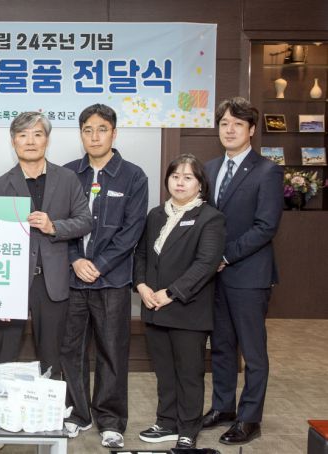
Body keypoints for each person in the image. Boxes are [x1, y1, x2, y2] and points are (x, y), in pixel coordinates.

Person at [61, 104, 148, 449]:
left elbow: (132, 230)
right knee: (72, 350)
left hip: (112, 280)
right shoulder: (68, 174)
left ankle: (110, 420)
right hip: (72, 278)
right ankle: (76, 415)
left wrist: (98, 264)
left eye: (102, 129)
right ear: (80, 134)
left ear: (114, 133)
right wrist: (75, 260)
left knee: (112, 350)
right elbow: (60, 224)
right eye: (88, 130)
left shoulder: (133, 176)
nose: (94, 136)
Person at [201, 97, 283, 445]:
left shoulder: (267, 171)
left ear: (251, 130)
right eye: (224, 123)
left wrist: (224, 256)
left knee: (253, 352)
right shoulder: (209, 168)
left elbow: (266, 227)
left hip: (249, 275)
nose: (230, 129)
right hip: (214, 276)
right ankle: (223, 407)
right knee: (221, 346)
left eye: (238, 124)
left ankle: (250, 417)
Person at [0, 111, 92, 378]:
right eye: (23, 135)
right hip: (12, 283)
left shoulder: (67, 178)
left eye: (37, 134)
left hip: (52, 282)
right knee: (4, 356)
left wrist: (53, 226)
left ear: (47, 139)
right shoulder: (1, 185)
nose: (30, 141)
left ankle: (51, 405)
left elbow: (85, 221)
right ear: (13, 141)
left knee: (52, 358)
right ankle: (1, 404)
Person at [135, 154, 226, 449]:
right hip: (154, 307)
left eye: (188, 177)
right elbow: (141, 254)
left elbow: (206, 264)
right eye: (175, 176)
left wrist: (171, 293)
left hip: (188, 310)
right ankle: (166, 422)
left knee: (189, 373)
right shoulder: (156, 215)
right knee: (164, 371)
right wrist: (141, 285)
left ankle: (188, 426)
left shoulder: (210, 217)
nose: (180, 183)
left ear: (200, 184)